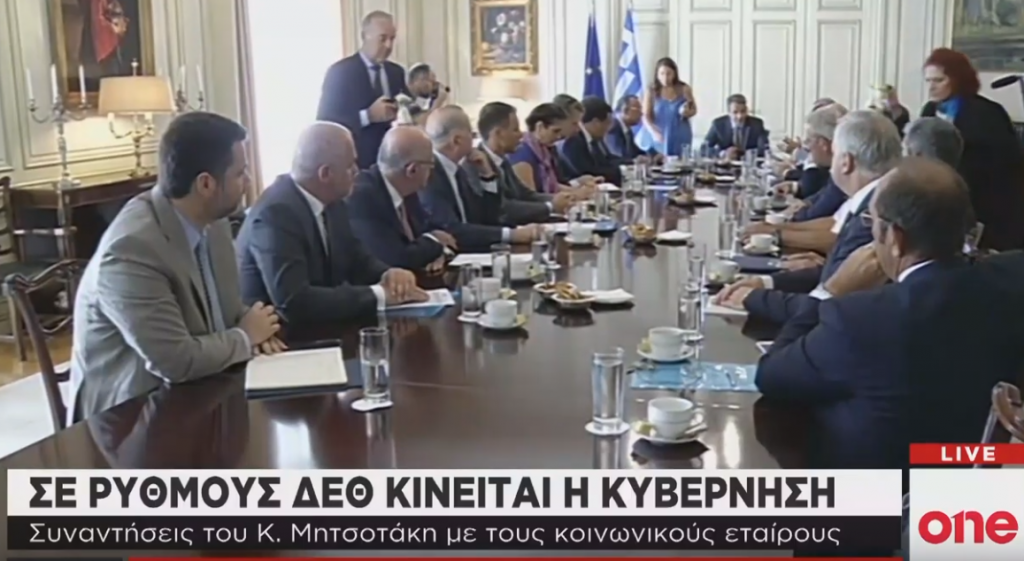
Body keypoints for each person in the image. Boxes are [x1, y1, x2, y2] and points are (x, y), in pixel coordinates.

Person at [754, 157, 1024, 488]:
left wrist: (829, 291)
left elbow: (772, 375)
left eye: (871, 222)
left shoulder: (858, 319)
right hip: (974, 498)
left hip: (873, 506)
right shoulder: (1012, 282)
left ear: (895, 238)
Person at [68, 112, 281, 423]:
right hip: (127, 418)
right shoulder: (131, 249)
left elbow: (227, 312)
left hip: (201, 390)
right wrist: (245, 337)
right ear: (206, 184)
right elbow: (175, 362)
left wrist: (256, 330)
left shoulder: (214, 221)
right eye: (240, 173)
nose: (248, 182)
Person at [718, 110, 902, 323]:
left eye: (835, 154)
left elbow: (831, 305)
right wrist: (767, 283)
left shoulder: (875, 213)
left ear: (846, 162)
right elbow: (838, 276)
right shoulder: (876, 199)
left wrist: (755, 299)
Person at [236, 122, 426, 326]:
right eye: (350, 165)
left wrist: (389, 274)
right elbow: (294, 302)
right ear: (325, 174)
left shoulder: (333, 201)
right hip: (282, 336)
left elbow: (356, 257)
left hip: (325, 328)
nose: (357, 171)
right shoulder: (277, 213)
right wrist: (379, 295)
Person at [921, 47, 1024, 250]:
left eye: (938, 80)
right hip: (940, 195)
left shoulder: (987, 112)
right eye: (928, 81)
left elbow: (1005, 166)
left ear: (957, 79)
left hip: (985, 202)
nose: (931, 88)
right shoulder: (930, 110)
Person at [421, 107, 541, 251]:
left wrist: (487, 176)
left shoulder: (457, 170)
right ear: (457, 140)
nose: (474, 140)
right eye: (471, 134)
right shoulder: (430, 174)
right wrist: (512, 235)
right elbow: (451, 229)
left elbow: (487, 218)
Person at [347, 126, 457, 271]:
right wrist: (435, 243)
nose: (432, 172)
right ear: (412, 170)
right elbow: (396, 258)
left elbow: (430, 229)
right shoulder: (363, 197)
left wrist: (436, 251)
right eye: (431, 165)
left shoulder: (407, 191)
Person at [316, 11, 408, 170]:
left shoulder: (396, 72)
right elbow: (325, 123)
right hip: (356, 164)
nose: (389, 46)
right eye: (382, 38)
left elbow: (407, 109)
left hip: (393, 164)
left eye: (392, 39)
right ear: (364, 36)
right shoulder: (340, 72)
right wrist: (368, 116)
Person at [476, 101, 576, 224]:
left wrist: (558, 199)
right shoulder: (477, 164)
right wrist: (550, 206)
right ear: (498, 133)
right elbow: (503, 208)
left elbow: (525, 194)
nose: (521, 134)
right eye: (515, 129)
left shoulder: (502, 161)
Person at [635, 57, 696, 157]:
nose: (665, 77)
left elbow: (693, 109)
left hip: (680, 131)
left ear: (674, 73)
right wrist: (653, 132)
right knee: (660, 160)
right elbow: (645, 115)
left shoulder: (684, 88)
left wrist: (687, 112)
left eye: (669, 74)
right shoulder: (652, 90)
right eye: (662, 74)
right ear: (657, 74)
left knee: (681, 160)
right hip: (660, 133)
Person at [508, 103, 574, 193]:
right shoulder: (522, 154)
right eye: (555, 131)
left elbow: (553, 185)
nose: (559, 136)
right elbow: (530, 197)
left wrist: (576, 192)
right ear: (540, 127)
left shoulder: (543, 152)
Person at [558, 96, 625, 185]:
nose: (579, 128)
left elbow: (606, 161)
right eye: (575, 123)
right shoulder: (571, 141)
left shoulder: (596, 139)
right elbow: (585, 172)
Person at [703, 94, 769, 158]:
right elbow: (704, 149)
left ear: (747, 109)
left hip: (749, 162)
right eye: (735, 112)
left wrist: (749, 154)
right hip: (725, 162)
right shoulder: (718, 124)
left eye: (743, 111)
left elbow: (764, 148)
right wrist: (723, 153)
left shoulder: (757, 124)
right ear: (729, 112)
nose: (740, 116)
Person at [606, 95, 647, 160]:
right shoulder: (612, 127)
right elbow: (619, 156)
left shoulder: (627, 129)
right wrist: (635, 160)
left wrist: (652, 157)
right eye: (638, 109)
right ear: (625, 110)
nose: (641, 113)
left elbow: (636, 152)